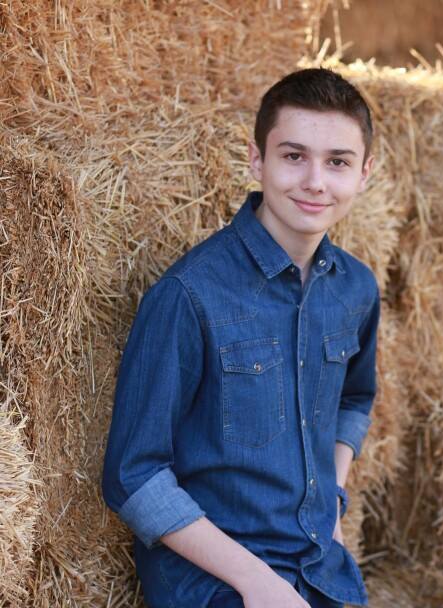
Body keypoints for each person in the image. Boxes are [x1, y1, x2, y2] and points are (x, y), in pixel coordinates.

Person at [102, 67, 380, 608]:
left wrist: (332, 504)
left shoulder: (356, 289)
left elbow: (354, 398)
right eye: (293, 156)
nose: (315, 182)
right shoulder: (190, 295)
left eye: (338, 162)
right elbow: (133, 476)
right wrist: (256, 582)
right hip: (215, 580)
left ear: (364, 173)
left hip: (319, 567)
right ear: (257, 161)